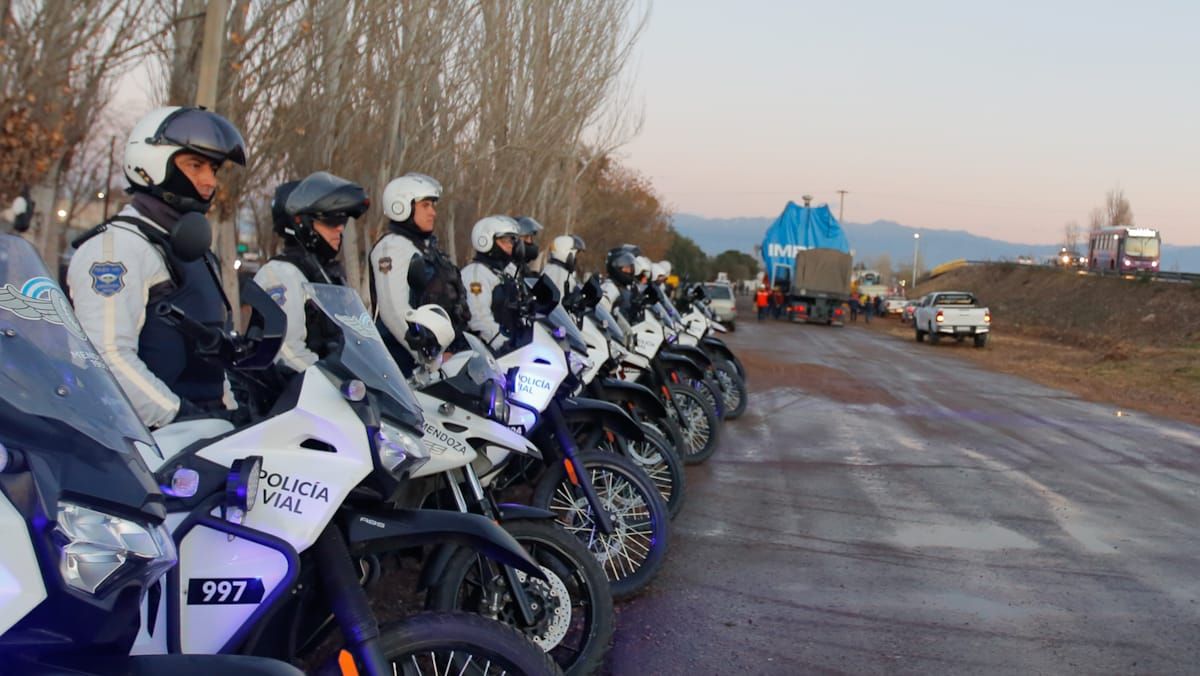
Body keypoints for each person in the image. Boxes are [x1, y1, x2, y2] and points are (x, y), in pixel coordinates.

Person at [67, 106, 246, 429]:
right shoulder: (118, 249)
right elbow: (106, 357)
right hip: (147, 445)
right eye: (195, 165)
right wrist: (181, 416)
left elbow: (211, 356)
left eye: (214, 169)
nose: (209, 181)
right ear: (151, 163)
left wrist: (231, 414)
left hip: (200, 438)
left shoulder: (194, 249)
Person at [253, 171, 369, 373]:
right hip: (300, 395)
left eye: (343, 220)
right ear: (300, 222)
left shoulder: (326, 275)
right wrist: (336, 382)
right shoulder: (281, 274)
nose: (340, 228)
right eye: (331, 220)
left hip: (333, 393)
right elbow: (287, 351)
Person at [370, 172, 470, 370]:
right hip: (407, 361)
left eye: (433, 205)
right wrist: (428, 359)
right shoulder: (392, 247)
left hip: (441, 354)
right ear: (401, 206)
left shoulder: (424, 248)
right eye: (425, 205)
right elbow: (393, 311)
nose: (432, 212)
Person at [460, 215, 524, 351]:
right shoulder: (476, 274)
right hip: (489, 351)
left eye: (512, 241)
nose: (510, 246)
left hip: (513, 346)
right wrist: (501, 342)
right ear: (486, 241)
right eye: (505, 240)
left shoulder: (506, 271)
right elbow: (478, 316)